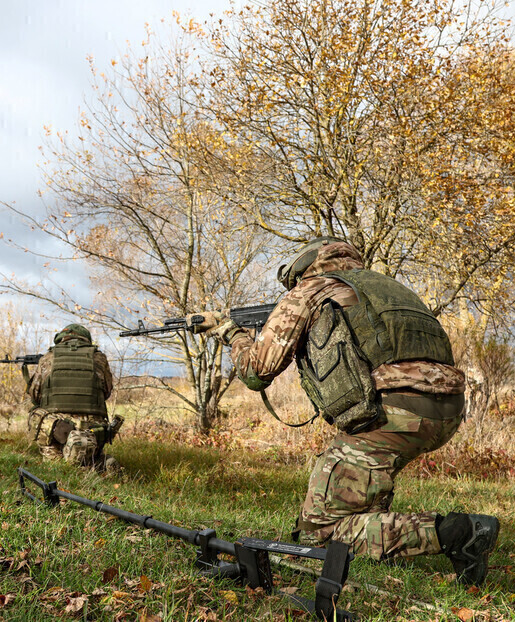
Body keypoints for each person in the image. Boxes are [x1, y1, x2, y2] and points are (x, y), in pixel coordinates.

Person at [197, 237, 499, 586]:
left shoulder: (311, 289)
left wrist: (228, 331)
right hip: (446, 410)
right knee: (358, 484)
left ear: (303, 265)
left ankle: (456, 533)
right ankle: (385, 542)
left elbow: (255, 371)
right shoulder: (387, 288)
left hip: (393, 412)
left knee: (321, 534)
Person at [26, 324, 121, 472]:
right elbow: (106, 392)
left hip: (56, 428)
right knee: (89, 455)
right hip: (93, 430)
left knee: (35, 413)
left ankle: (56, 461)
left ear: (61, 340)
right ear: (86, 339)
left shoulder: (47, 358)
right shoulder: (99, 358)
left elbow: (35, 395)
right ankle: (98, 463)